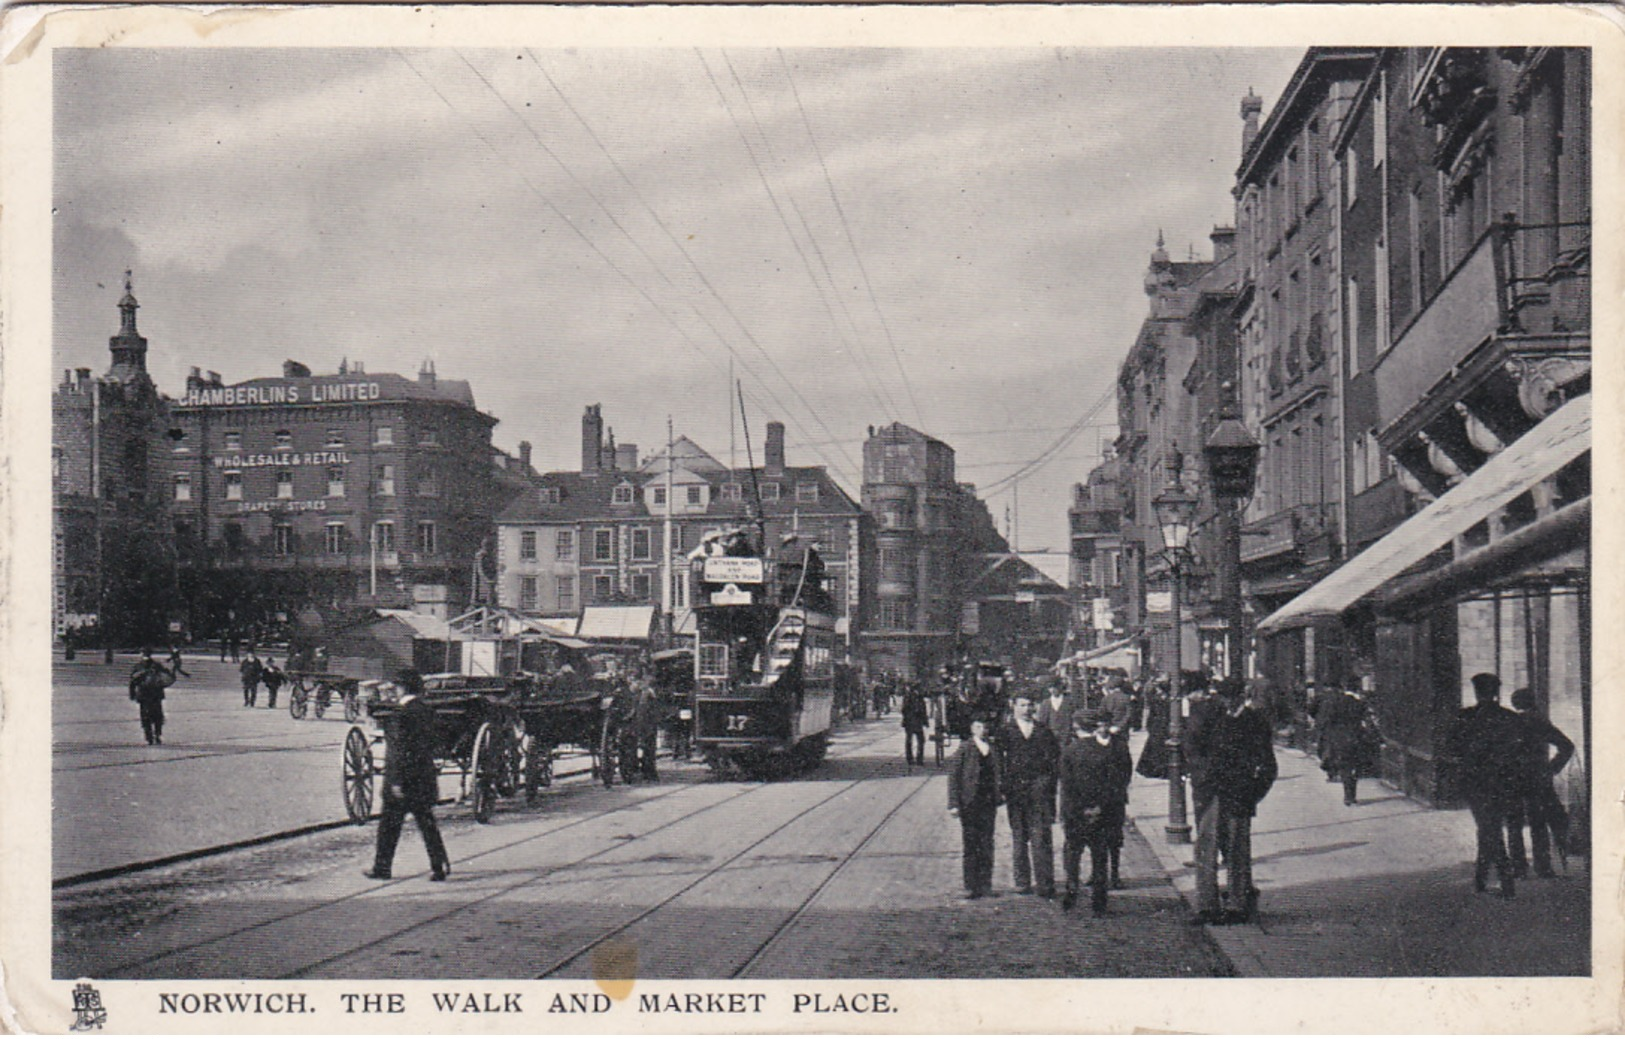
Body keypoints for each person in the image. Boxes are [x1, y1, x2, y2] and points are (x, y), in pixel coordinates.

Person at [1185, 678, 1277, 925]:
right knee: (1207, 847)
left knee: (1237, 848)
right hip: (1211, 793)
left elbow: (1268, 764)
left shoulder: (1255, 721)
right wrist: (1203, 779)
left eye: (1232, 698)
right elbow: (1192, 749)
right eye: (1223, 698)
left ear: (1242, 696)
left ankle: (1237, 904)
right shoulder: (1207, 715)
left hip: (1239, 794)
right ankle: (1207, 905)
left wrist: (1254, 792)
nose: (1227, 702)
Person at [1445, 672, 1525, 899]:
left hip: (1476, 782)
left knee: (1487, 827)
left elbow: (1451, 748)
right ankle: (1481, 878)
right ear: (1496, 692)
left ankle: (1504, 878)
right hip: (1504, 782)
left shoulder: (1465, 717)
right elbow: (1520, 750)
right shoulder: (1510, 718)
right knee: (1490, 826)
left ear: (1476, 691)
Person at [366, 670, 450, 882]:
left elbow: (398, 752)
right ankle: (439, 866)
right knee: (427, 825)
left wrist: (396, 781)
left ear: (402, 688)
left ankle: (382, 869)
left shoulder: (400, 714)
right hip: (423, 779)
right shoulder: (427, 711)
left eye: (396, 687)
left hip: (403, 782)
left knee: (388, 828)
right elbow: (435, 742)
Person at [1058, 709, 1132, 915]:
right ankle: (1100, 900)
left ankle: (1071, 889)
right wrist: (1098, 807)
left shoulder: (1070, 751)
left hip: (1076, 813)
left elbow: (1067, 786)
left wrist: (1071, 810)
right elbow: (1112, 783)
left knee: (1073, 852)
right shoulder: (1107, 752)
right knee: (1100, 855)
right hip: (1102, 812)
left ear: (1076, 727)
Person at [998, 691, 1060, 898]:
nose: (1027, 709)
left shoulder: (1044, 731)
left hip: (1039, 792)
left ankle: (1044, 882)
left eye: (1030, 705)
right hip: (1016, 793)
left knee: (1041, 837)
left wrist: (1047, 785)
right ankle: (1022, 881)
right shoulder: (1005, 731)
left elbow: (1054, 761)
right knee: (1019, 838)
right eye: (1022, 705)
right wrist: (1004, 787)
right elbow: (998, 763)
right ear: (1013, 706)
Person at [1508, 687, 1575, 879]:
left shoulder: (1511, 722)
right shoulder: (1540, 721)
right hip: (1538, 778)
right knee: (1538, 823)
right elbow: (1567, 746)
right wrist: (1552, 769)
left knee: (1515, 823)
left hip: (1514, 778)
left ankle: (1519, 868)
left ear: (1515, 704)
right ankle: (1543, 867)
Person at [947, 714, 1002, 899]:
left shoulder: (993, 749)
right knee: (971, 843)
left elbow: (998, 773)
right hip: (969, 803)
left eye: (985, 727)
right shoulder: (965, 748)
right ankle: (970, 885)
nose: (983, 730)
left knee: (987, 842)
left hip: (988, 803)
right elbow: (954, 776)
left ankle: (986, 884)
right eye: (979, 727)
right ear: (972, 729)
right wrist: (954, 803)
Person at [1320, 681, 1374, 806]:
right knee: (1354, 766)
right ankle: (1352, 795)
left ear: (1344, 688)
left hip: (1339, 739)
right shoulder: (1359, 703)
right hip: (1356, 738)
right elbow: (1367, 721)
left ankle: (1348, 796)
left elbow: (1327, 721)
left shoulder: (1335, 702)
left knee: (1345, 767)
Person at [128, 649, 174, 746]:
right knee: (157, 716)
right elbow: (167, 676)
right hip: (155, 694)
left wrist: (132, 694)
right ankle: (156, 735)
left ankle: (149, 736)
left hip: (144, 694)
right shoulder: (156, 665)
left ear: (141, 654)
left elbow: (132, 681)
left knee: (146, 716)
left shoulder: (139, 666)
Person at [1136, 674, 1171, 780]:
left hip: (1158, 726)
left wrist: (1149, 725)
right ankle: (1161, 770)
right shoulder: (1168, 701)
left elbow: (1152, 714)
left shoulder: (1157, 700)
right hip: (1162, 726)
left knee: (1156, 748)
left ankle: (1156, 770)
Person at [1035, 680, 1077, 747]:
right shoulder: (1045, 703)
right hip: (1051, 738)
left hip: (1067, 737)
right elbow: (1042, 722)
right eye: (1050, 688)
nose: (1052, 690)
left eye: (1055, 687)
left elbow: (1074, 718)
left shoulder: (1069, 702)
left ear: (1060, 686)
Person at [901, 682, 930, 766]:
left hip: (916, 722)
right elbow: (904, 709)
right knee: (911, 740)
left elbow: (923, 710)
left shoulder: (919, 697)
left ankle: (918, 759)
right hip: (911, 721)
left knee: (919, 740)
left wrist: (925, 721)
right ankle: (912, 758)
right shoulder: (909, 696)